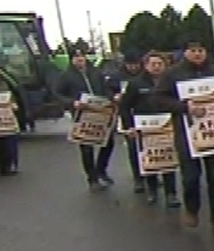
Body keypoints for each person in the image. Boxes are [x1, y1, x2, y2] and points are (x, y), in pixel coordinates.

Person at [152, 40, 214, 234]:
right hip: (186, 133)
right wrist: (184, 107)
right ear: (185, 52)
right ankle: (192, 210)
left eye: (201, 50)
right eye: (193, 50)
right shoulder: (172, 74)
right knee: (191, 177)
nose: (197, 54)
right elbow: (158, 99)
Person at [119, 52, 180, 207]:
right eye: (153, 64)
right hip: (145, 125)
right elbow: (125, 106)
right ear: (145, 65)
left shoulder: (172, 81)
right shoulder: (135, 83)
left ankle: (171, 193)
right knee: (150, 159)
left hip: (167, 124)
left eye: (159, 63)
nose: (156, 66)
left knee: (168, 158)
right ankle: (152, 190)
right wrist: (129, 127)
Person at [56, 50, 119, 192]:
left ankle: (101, 169)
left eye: (81, 56)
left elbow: (106, 89)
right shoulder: (66, 76)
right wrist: (72, 102)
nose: (79, 59)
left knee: (108, 143)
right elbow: (58, 94)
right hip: (82, 115)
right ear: (72, 60)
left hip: (101, 113)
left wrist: (111, 98)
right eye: (76, 57)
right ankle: (92, 178)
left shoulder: (96, 72)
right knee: (86, 147)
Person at [113, 50, 146, 193]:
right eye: (130, 65)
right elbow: (107, 90)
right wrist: (114, 96)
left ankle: (151, 173)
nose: (133, 67)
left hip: (145, 115)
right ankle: (138, 178)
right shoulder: (116, 76)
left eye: (136, 64)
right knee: (133, 147)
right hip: (128, 116)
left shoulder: (145, 75)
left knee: (149, 146)